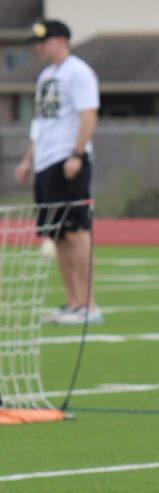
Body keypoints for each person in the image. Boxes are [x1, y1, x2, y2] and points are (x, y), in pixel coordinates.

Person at [12, 19, 101, 326]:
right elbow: (41, 124)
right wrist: (28, 160)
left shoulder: (78, 71)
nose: (38, 47)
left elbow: (88, 114)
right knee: (58, 235)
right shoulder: (46, 76)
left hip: (68, 161)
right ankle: (72, 303)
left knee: (76, 232)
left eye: (43, 40)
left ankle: (89, 305)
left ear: (61, 39)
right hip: (46, 164)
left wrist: (77, 153)